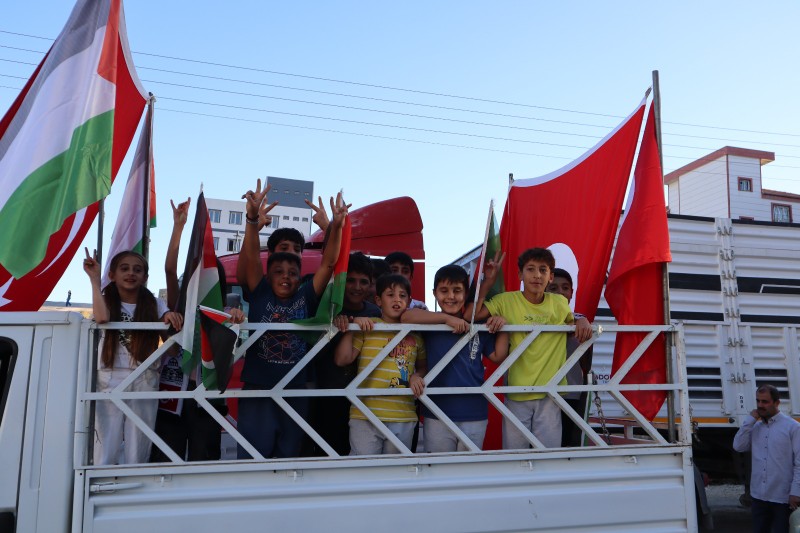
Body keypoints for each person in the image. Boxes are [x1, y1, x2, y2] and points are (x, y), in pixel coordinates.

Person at [236, 179, 349, 459]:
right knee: (253, 459)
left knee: (290, 459)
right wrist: (251, 220)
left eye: (292, 272)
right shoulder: (260, 292)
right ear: (267, 274)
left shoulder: (307, 296)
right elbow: (250, 258)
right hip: (259, 389)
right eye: (278, 271)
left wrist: (336, 226)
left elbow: (330, 262)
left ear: (300, 277)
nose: (286, 276)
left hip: (297, 389)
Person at [151, 198, 245, 462]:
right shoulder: (178, 306)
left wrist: (236, 316)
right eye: (196, 276)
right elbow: (170, 269)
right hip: (175, 392)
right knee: (167, 456)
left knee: (205, 455)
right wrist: (178, 227)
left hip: (209, 394)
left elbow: (235, 324)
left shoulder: (223, 311)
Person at [471, 248, 591, 449]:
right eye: (531, 269)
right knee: (515, 455)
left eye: (543, 270)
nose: (537, 275)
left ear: (550, 276)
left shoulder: (560, 303)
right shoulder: (505, 300)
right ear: (520, 274)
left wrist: (582, 319)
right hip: (517, 391)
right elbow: (472, 315)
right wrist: (488, 283)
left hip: (550, 393)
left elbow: (574, 321)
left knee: (548, 455)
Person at [83, 248, 183, 465]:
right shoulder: (105, 298)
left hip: (144, 376)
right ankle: (102, 484)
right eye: (124, 269)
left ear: (145, 277)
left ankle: (134, 487)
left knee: (139, 441)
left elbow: (172, 341)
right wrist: (94, 279)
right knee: (105, 440)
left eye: (137, 270)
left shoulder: (154, 303)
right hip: (110, 376)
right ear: (112, 275)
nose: (131, 273)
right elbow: (101, 318)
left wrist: (169, 317)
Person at [402, 264, 508, 452]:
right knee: (439, 472)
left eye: (457, 291)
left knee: (469, 473)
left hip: (475, 412)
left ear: (467, 293)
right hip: (436, 412)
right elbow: (406, 317)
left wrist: (504, 324)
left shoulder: (479, 324)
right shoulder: (431, 322)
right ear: (434, 293)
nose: (450, 296)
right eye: (444, 291)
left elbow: (498, 356)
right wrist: (446, 319)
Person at [334, 274, 426, 455]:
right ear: (378, 300)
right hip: (365, 415)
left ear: (409, 301)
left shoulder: (415, 335)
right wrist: (352, 327)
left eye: (402, 296)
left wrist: (417, 375)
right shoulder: (369, 327)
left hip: (403, 415)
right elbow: (342, 359)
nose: (397, 300)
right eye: (390, 295)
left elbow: (423, 366)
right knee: (365, 473)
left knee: (395, 475)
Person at [309, 252, 382, 456]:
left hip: (363, 397)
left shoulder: (375, 313)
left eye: (363, 281)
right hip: (329, 394)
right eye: (351, 280)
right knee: (329, 452)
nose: (357, 287)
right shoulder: (326, 309)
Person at [733, 384, 800, 532]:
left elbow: (799, 462)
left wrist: (796, 491)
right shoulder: (755, 427)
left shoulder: (792, 427)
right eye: (758, 401)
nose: (760, 405)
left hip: (782, 497)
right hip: (759, 496)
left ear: (777, 403)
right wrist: (749, 420)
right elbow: (738, 446)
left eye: (765, 402)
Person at [546, 268, 593, 447]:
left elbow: (586, 363)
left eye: (565, 288)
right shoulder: (537, 318)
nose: (560, 292)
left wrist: (581, 319)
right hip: (541, 393)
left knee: (568, 443)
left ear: (571, 293)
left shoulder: (580, 322)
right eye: (553, 288)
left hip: (571, 392)